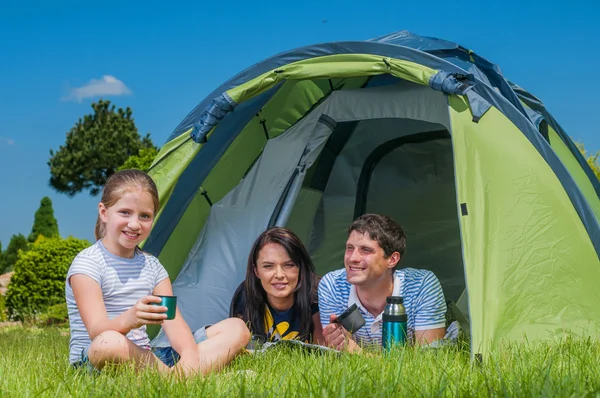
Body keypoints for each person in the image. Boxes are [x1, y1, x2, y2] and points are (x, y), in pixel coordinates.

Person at [66, 169, 250, 376]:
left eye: (145, 216)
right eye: (125, 212)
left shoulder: (152, 267)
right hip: (97, 360)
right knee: (109, 343)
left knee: (237, 328)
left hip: (145, 358)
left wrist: (189, 355)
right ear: (104, 212)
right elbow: (97, 331)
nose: (134, 224)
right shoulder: (87, 264)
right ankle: (186, 378)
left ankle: (180, 376)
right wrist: (130, 319)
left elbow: (173, 322)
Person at [318, 214, 446, 352]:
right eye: (349, 248)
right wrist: (337, 343)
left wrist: (357, 353)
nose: (352, 258)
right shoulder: (332, 285)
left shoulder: (422, 285)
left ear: (392, 259)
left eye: (366, 250)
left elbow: (428, 360)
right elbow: (337, 357)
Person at [230, 227, 324, 345]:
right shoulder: (245, 294)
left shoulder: (317, 292)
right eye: (268, 266)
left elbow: (322, 353)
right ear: (256, 271)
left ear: (300, 268)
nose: (279, 275)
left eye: (289, 265)